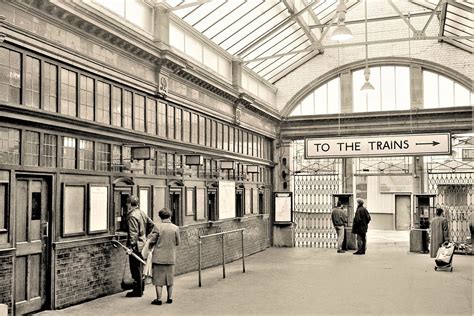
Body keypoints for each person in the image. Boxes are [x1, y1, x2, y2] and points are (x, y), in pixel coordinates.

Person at [148, 208, 181, 306]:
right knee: (170, 280)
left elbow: (152, 241)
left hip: (159, 258)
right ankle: (169, 298)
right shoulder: (175, 228)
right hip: (170, 257)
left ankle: (158, 299)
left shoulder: (157, 227)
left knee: (158, 280)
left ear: (160, 217)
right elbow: (178, 242)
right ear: (170, 216)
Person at [126, 195, 155, 297]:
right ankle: (141, 288)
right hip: (143, 244)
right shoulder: (142, 213)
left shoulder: (132, 215)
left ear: (130, 204)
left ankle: (137, 290)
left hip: (136, 246)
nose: (127, 205)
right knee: (140, 267)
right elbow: (152, 225)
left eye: (127, 203)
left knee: (135, 268)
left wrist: (131, 247)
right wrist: (145, 236)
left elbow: (133, 233)